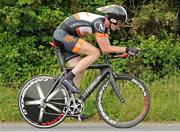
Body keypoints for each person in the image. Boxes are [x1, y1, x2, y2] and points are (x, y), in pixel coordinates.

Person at [53, 5, 139, 120]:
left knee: (78, 69)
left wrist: (120, 54)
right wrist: (127, 48)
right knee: (95, 53)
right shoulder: (99, 24)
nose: (120, 27)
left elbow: (106, 49)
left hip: (67, 36)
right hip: (63, 35)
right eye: (120, 23)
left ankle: (71, 106)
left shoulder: (104, 26)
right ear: (113, 19)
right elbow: (105, 49)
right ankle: (67, 78)